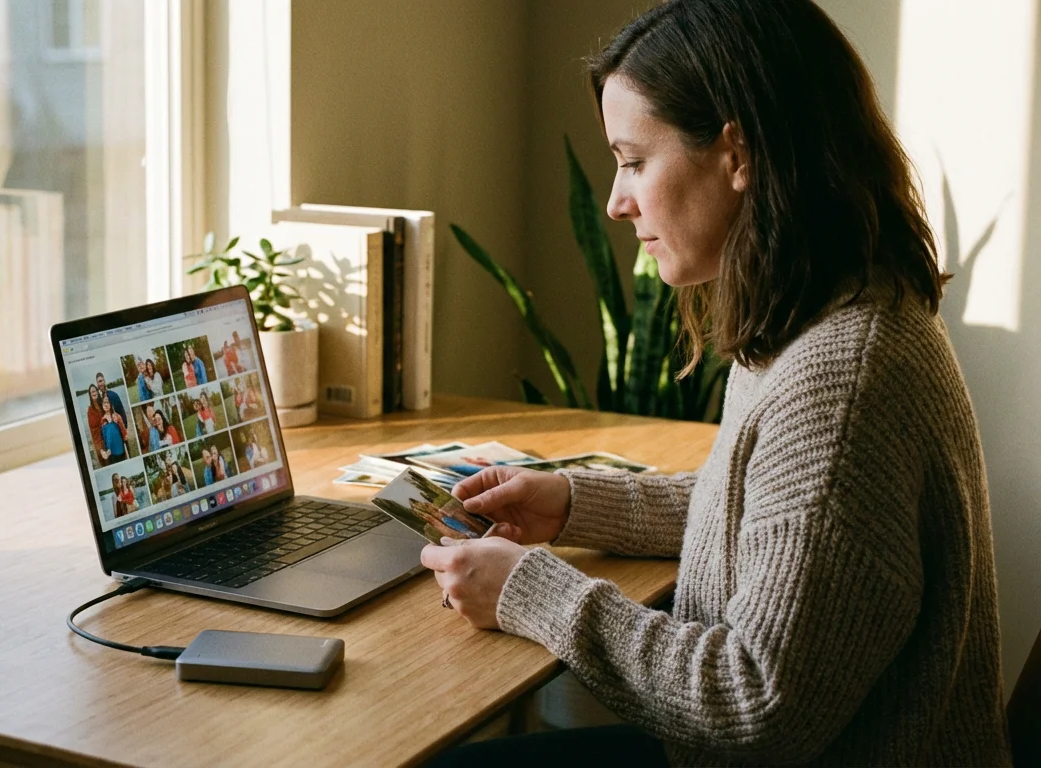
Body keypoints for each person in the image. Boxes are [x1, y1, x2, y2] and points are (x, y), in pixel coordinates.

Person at [420, 2, 1009, 766]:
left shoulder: (841, 381)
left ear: (738, 152)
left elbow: (756, 701)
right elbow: (763, 518)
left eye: (634, 160)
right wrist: (572, 502)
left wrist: (533, 592)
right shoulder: (821, 307)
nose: (615, 200)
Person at [84, 384, 109, 466]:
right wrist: (100, 449)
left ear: (97, 392)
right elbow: (93, 431)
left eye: (94, 390)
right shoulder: (90, 410)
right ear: (90, 395)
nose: (94, 393)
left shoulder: (104, 404)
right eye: (91, 392)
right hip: (100, 441)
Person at [98, 397, 128, 463]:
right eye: (104, 403)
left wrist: (118, 422)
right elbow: (102, 437)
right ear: (102, 406)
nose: (105, 405)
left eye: (107, 403)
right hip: (110, 451)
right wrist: (102, 450)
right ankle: (109, 451)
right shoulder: (102, 420)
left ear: (111, 404)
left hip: (120, 448)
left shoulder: (117, 416)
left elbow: (125, 434)